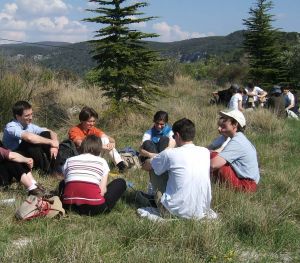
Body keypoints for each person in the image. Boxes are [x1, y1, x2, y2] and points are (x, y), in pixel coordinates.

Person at [142, 118, 215, 219]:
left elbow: (147, 166)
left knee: (154, 167)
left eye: (173, 136)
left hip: (174, 211)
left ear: (177, 135)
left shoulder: (170, 153)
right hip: (200, 210)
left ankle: (151, 197)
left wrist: (149, 159)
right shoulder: (205, 152)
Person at [60, 135, 127, 216]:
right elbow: (102, 191)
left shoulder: (69, 160)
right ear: (99, 149)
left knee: (63, 182)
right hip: (95, 208)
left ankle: (69, 200)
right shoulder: (102, 161)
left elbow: (66, 181)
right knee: (121, 182)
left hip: (68, 206)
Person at [2, 101, 59, 174]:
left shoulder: (29, 126)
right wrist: (51, 142)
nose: (31, 118)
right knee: (29, 142)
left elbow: (52, 132)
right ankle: (47, 171)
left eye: (31, 114)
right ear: (17, 116)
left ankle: (56, 167)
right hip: (15, 156)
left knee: (45, 134)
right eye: (27, 116)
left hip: (28, 155)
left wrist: (54, 145)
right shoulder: (11, 126)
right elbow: (29, 137)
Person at [210, 110, 260, 192]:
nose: (222, 122)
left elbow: (213, 164)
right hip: (248, 184)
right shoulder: (239, 138)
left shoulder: (238, 141)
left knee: (213, 156)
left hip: (246, 185)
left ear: (235, 124)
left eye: (225, 120)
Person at [68, 106, 127, 173]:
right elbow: (81, 144)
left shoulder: (92, 129)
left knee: (104, 139)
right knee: (103, 142)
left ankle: (121, 165)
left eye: (93, 121)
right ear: (82, 121)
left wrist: (112, 143)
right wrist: (101, 146)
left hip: (93, 155)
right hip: (81, 157)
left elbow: (108, 138)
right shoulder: (74, 130)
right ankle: (98, 167)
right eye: (89, 121)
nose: (92, 124)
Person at [139, 111, 176, 194]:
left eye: (162, 124)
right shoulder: (149, 132)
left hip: (164, 156)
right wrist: (153, 155)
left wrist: (159, 157)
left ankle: (156, 182)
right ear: (154, 121)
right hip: (152, 156)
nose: (159, 126)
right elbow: (141, 150)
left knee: (165, 139)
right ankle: (154, 182)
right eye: (157, 123)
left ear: (166, 123)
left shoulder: (170, 132)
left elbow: (171, 146)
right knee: (147, 143)